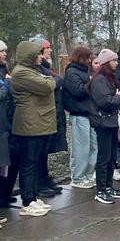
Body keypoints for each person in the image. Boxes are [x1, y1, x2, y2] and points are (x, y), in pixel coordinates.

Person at [11, 41, 57, 216]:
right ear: (30, 56)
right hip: (29, 125)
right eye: (38, 54)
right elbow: (48, 86)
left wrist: (48, 78)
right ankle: (27, 201)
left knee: (35, 162)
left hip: (38, 124)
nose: (41, 57)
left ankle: (33, 196)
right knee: (28, 164)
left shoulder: (31, 71)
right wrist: (51, 80)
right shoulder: (21, 72)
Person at [89, 49, 120, 204]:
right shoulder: (99, 80)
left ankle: (108, 187)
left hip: (111, 122)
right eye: (113, 60)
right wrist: (118, 97)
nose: (116, 62)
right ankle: (100, 190)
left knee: (112, 157)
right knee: (104, 157)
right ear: (106, 63)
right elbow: (105, 101)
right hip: (103, 123)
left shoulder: (109, 78)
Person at [30, 38, 66, 198]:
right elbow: (52, 83)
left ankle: (44, 178)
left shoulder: (47, 67)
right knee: (38, 153)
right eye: (47, 48)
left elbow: (56, 81)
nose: (50, 50)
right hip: (41, 117)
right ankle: (39, 183)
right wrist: (56, 81)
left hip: (51, 115)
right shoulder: (36, 69)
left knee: (45, 151)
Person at [63, 47, 97, 189]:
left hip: (89, 113)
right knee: (81, 149)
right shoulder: (72, 72)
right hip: (79, 115)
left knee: (93, 146)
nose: (89, 60)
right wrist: (92, 82)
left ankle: (88, 175)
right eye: (87, 58)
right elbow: (78, 91)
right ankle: (77, 177)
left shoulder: (85, 71)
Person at [0, 40, 16, 210]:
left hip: (7, 122)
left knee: (8, 164)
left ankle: (4, 196)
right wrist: (8, 85)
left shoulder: (4, 70)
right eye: (2, 51)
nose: (5, 54)